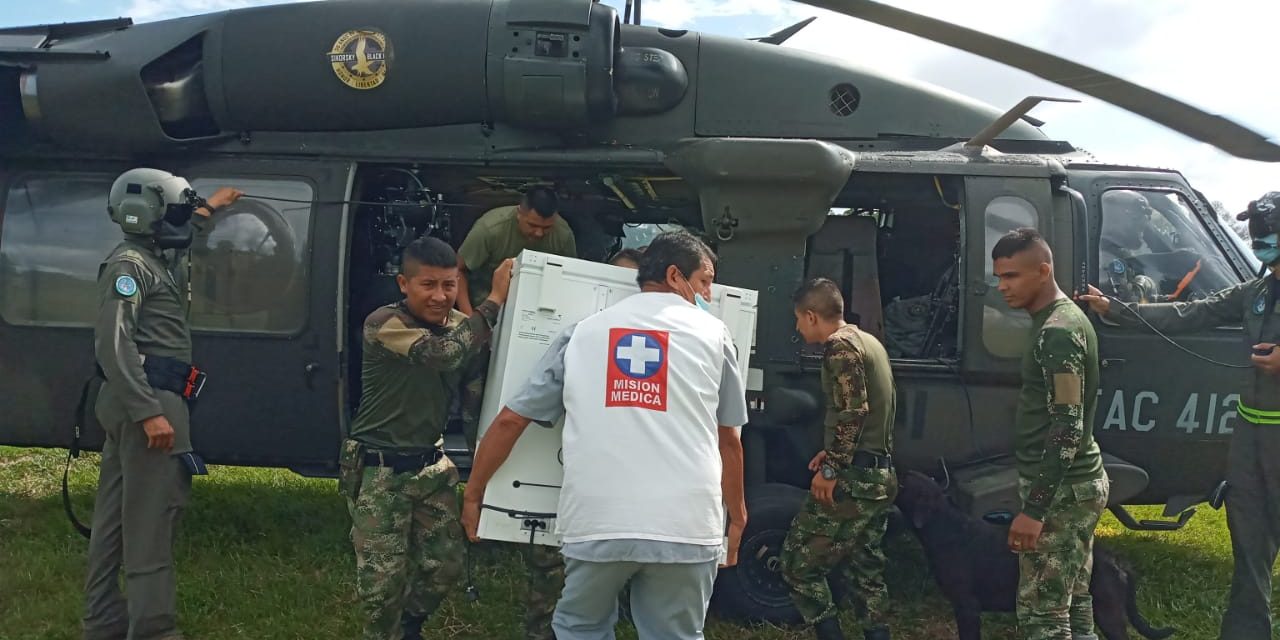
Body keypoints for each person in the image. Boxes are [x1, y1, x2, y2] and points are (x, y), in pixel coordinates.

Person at [461, 230, 748, 640]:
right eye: (704, 280)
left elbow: (510, 421)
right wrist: (736, 515)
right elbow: (729, 440)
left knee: (581, 628)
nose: (709, 292)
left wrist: (474, 494)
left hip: (598, 522)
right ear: (673, 276)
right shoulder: (716, 336)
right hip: (686, 525)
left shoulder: (583, 333)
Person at [1078, 191, 1280, 640]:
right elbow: (1193, 311)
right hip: (1249, 437)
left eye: (1268, 233)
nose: (1261, 241)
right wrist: (1119, 311)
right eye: (1259, 233)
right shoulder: (1258, 292)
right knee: (1249, 545)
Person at [84, 168, 242, 640]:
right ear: (150, 216)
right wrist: (149, 411)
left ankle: (103, 622)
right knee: (152, 519)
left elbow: (181, 234)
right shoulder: (128, 269)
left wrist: (210, 207)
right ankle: (152, 630)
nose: (181, 220)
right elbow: (114, 345)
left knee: (113, 519)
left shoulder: (153, 255)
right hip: (148, 400)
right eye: (174, 211)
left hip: (136, 402)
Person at [338, 236, 512, 640]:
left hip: (431, 466)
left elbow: (472, 389)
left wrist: (481, 462)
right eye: (428, 285)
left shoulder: (458, 327)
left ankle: (410, 624)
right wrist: (494, 301)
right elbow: (444, 354)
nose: (440, 296)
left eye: (449, 286)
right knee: (381, 585)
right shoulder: (384, 324)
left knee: (446, 566)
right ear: (404, 284)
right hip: (380, 470)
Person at [992, 228, 1108, 640]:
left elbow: (1067, 425)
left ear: (1043, 271)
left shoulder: (1058, 331)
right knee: (1073, 602)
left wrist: (1035, 510)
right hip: (1074, 486)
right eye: (999, 278)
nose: (1002, 287)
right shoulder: (1059, 322)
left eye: (1012, 276)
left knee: (1043, 616)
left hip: (1063, 491)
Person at [780, 278, 898, 640]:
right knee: (866, 570)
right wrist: (832, 448)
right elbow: (870, 410)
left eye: (798, 320)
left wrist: (832, 467)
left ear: (812, 316)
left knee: (798, 564)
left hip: (855, 478)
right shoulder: (868, 342)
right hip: (879, 474)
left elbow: (854, 411)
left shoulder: (839, 348)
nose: (798, 329)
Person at [456, 186, 577, 315]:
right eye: (532, 225)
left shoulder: (563, 235)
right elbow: (457, 270)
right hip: (487, 307)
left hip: (539, 311)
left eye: (547, 227)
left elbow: (571, 279)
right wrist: (470, 320)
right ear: (519, 213)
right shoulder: (489, 229)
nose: (539, 233)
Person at [1098, 190, 1163, 303]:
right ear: (1121, 218)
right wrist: (1147, 283)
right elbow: (1125, 306)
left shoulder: (1114, 253)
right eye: (1141, 213)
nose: (1147, 219)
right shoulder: (1106, 260)